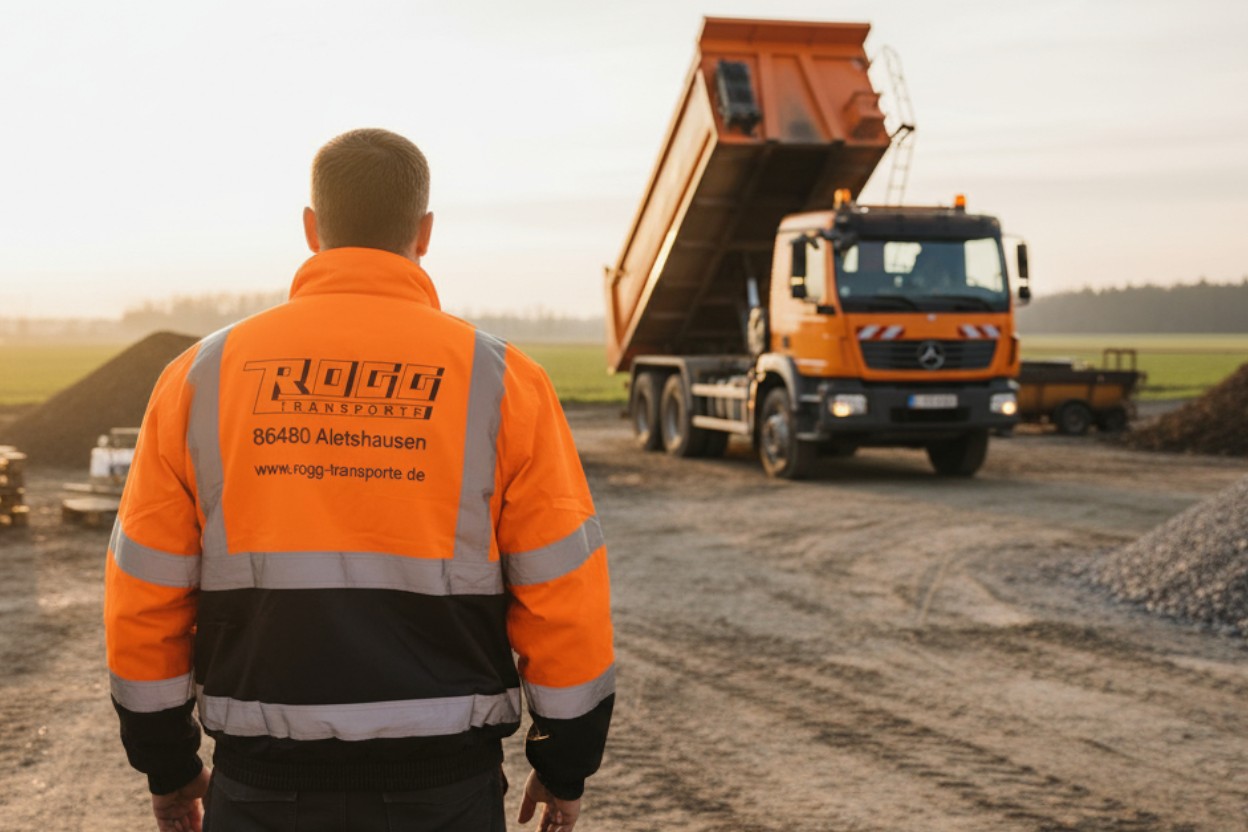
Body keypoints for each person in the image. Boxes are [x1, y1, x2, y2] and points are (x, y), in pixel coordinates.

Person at [104, 128, 615, 831]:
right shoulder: (504, 382)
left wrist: (166, 763)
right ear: (424, 233)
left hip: (261, 785)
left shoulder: (201, 377)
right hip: (444, 787)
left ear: (313, 229)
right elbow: (564, 593)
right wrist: (565, 763)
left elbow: (144, 591)